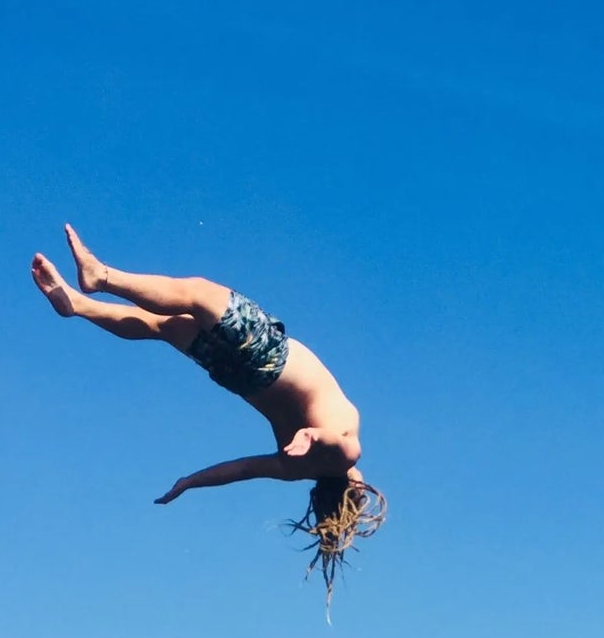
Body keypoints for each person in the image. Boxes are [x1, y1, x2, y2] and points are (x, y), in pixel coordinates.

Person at [31, 226, 385, 598]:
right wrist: (188, 482)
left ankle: (101, 277)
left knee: (195, 293)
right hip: (237, 378)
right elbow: (240, 470)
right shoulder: (295, 470)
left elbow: (336, 442)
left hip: (268, 354)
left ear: (353, 485)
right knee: (163, 327)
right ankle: (77, 306)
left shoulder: (346, 453)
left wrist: (312, 435)